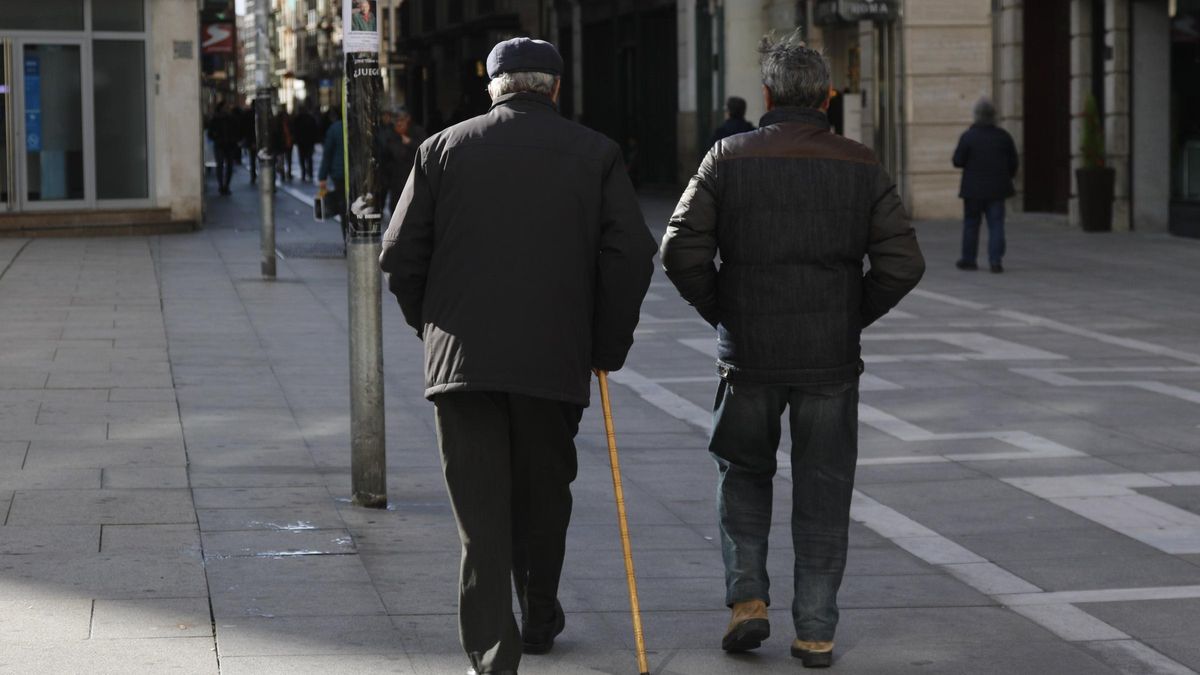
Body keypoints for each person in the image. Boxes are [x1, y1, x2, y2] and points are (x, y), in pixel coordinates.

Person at [379, 37, 656, 675]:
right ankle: (539, 612)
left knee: (480, 511)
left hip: (462, 365)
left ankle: (493, 654)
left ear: (493, 87)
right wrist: (604, 346)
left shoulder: (441, 150)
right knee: (544, 493)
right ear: (554, 89)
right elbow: (632, 256)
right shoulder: (597, 154)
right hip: (553, 359)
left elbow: (399, 257)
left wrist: (432, 330)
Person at [660, 31, 925, 669]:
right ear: (828, 97)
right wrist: (851, 313)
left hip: (748, 353)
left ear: (769, 94)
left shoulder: (727, 156)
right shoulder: (861, 163)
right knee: (825, 488)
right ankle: (816, 630)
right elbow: (902, 262)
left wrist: (723, 309)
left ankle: (748, 598)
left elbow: (678, 251)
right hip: (829, 359)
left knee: (742, 474)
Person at [952, 97, 1018, 273]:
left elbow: (957, 161)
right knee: (996, 225)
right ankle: (995, 261)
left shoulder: (968, 136)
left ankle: (969, 259)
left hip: (973, 190)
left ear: (976, 116)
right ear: (994, 116)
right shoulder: (1003, 137)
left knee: (971, 224)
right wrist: (1007, 177)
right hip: (997, 189)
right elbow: (1013, 163)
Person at [376, 106, 425, 213]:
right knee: (396, 205)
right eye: (396, 121)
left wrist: (410, 143)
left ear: (408, 119)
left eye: (402, 120)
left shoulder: (417, 132)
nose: (399, 124)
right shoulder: (389, 134)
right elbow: (384, 156)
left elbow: (425, 149)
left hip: (414, 174)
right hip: (396, 177)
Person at [317, 106, 346, 244]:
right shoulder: (361, 126)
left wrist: (322, 176)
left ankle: (347, 239)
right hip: (357, 174)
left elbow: (327, 154)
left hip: (339, 173)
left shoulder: (335, 128)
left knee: (343, 206)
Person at [206, 101, 239, 195]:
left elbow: (237, 130)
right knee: (222, 166)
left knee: (226, 166)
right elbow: (210, 133)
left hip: (228, 144)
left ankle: (225, 186)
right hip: (222, 144)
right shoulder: (217, 119)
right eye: (225, 107)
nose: (227, 109)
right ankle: (222, 186)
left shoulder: (231, 118)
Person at [293, 104, 320, 182]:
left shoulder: (299, 119)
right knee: (309, 158)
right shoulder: (309, 118)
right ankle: (309, 173)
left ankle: (304, 173)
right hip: (308, 142)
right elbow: (314, 129)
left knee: (303, 158)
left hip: (302, 142)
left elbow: (296, 130)